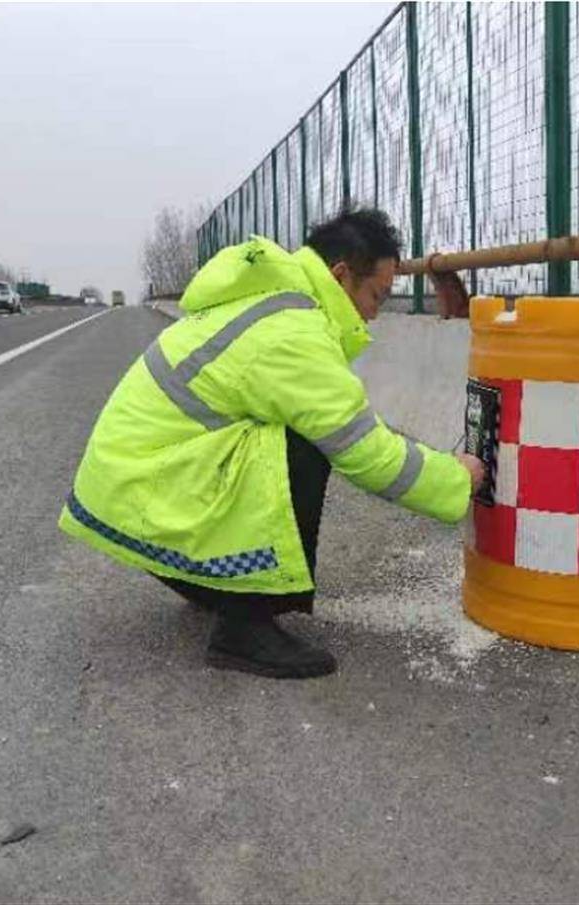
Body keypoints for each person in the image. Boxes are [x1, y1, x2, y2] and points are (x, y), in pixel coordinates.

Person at [59, 207, 484, 679]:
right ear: (341, 275)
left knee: (281, 434)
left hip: (129, 491)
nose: (374, 314)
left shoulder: (272, 300)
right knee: (300, 444)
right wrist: (454, 477)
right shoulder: (293, 332)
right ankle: (245, 626)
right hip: (148, 491)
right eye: (375, 296)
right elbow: (366, 452)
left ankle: (209, 585)